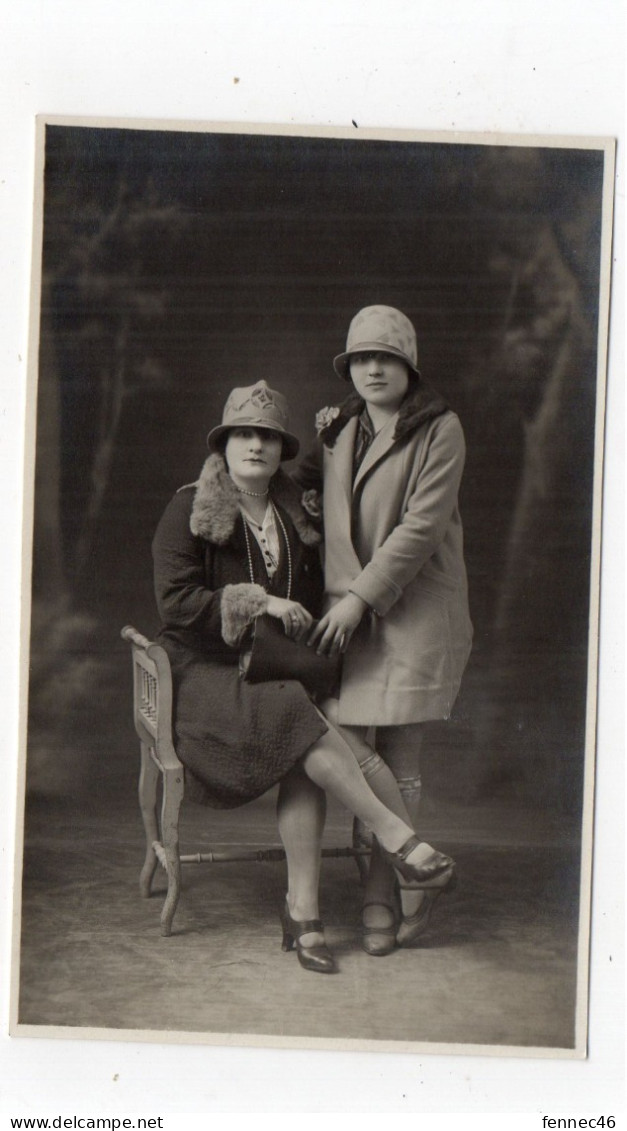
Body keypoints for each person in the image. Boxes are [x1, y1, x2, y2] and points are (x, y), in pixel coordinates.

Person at [151, 379, 456, 974]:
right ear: (224, 443)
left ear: (281, 450)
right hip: (203, 674)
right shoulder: (190, 505)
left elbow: (322, 582)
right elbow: (176, 604)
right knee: (302, 718)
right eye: (244, 434)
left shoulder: (297, 511)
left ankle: (306, 910)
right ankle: (398, 840)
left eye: (268, 436)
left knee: (307, 726)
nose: (256, 446)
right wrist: (256, 601)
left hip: (274, 671)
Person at [298, 306, 473, 955]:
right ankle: (407, 866)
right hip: (348, 606)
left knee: (401, 754)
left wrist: (356, 600)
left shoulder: (439, 428)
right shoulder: (338, 428)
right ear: (349, 369)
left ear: (408, 367)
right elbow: (320, 504)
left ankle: (384, 893)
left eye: (386, 358)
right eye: (360, 359)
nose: (372, 368)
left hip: (411, 610)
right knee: (336, 731)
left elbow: (419, 530)